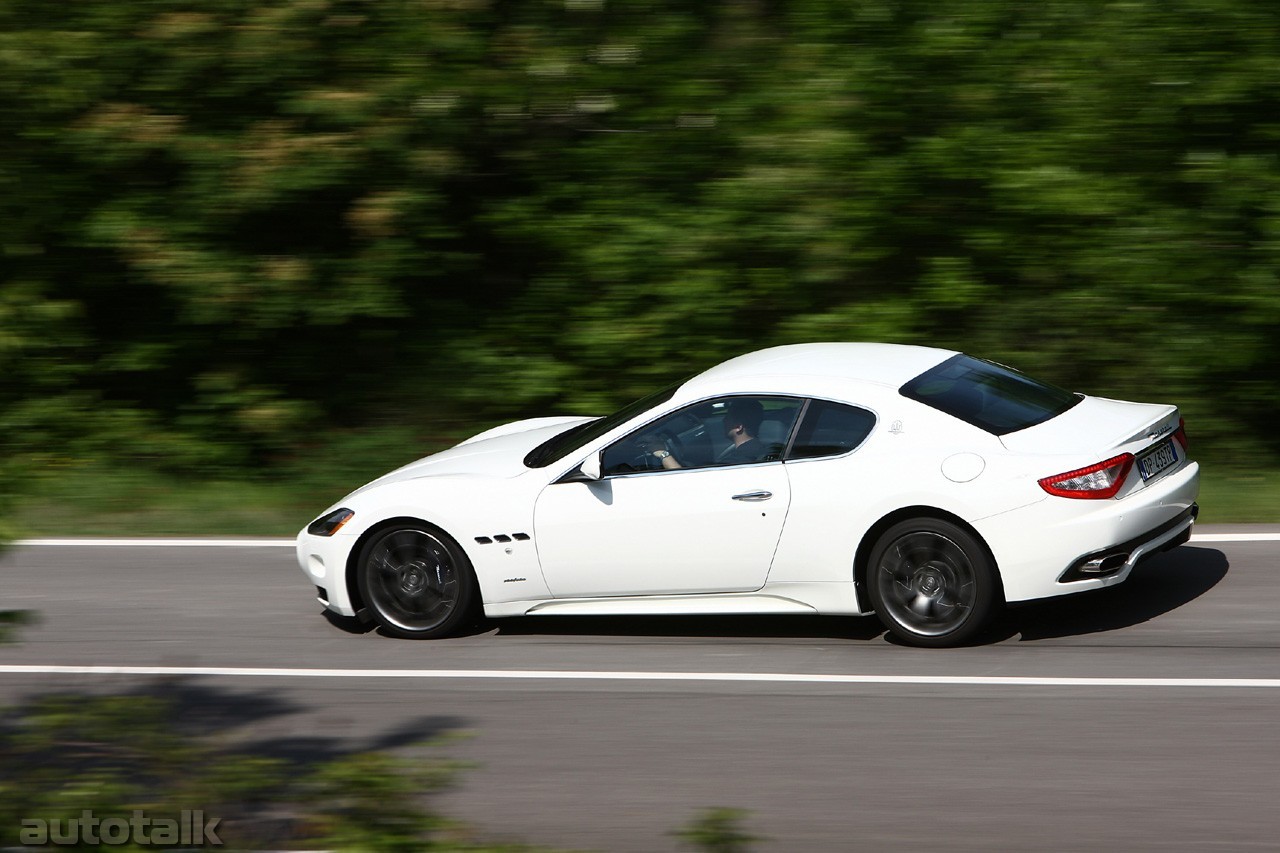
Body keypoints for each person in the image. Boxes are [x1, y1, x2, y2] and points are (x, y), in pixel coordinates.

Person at [648, 398, 765, 469]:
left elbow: (687, 483)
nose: (723, 421)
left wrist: (663, 454)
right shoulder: (754, 447)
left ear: (738, 427)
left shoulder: (739, 460)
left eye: (728, 417)